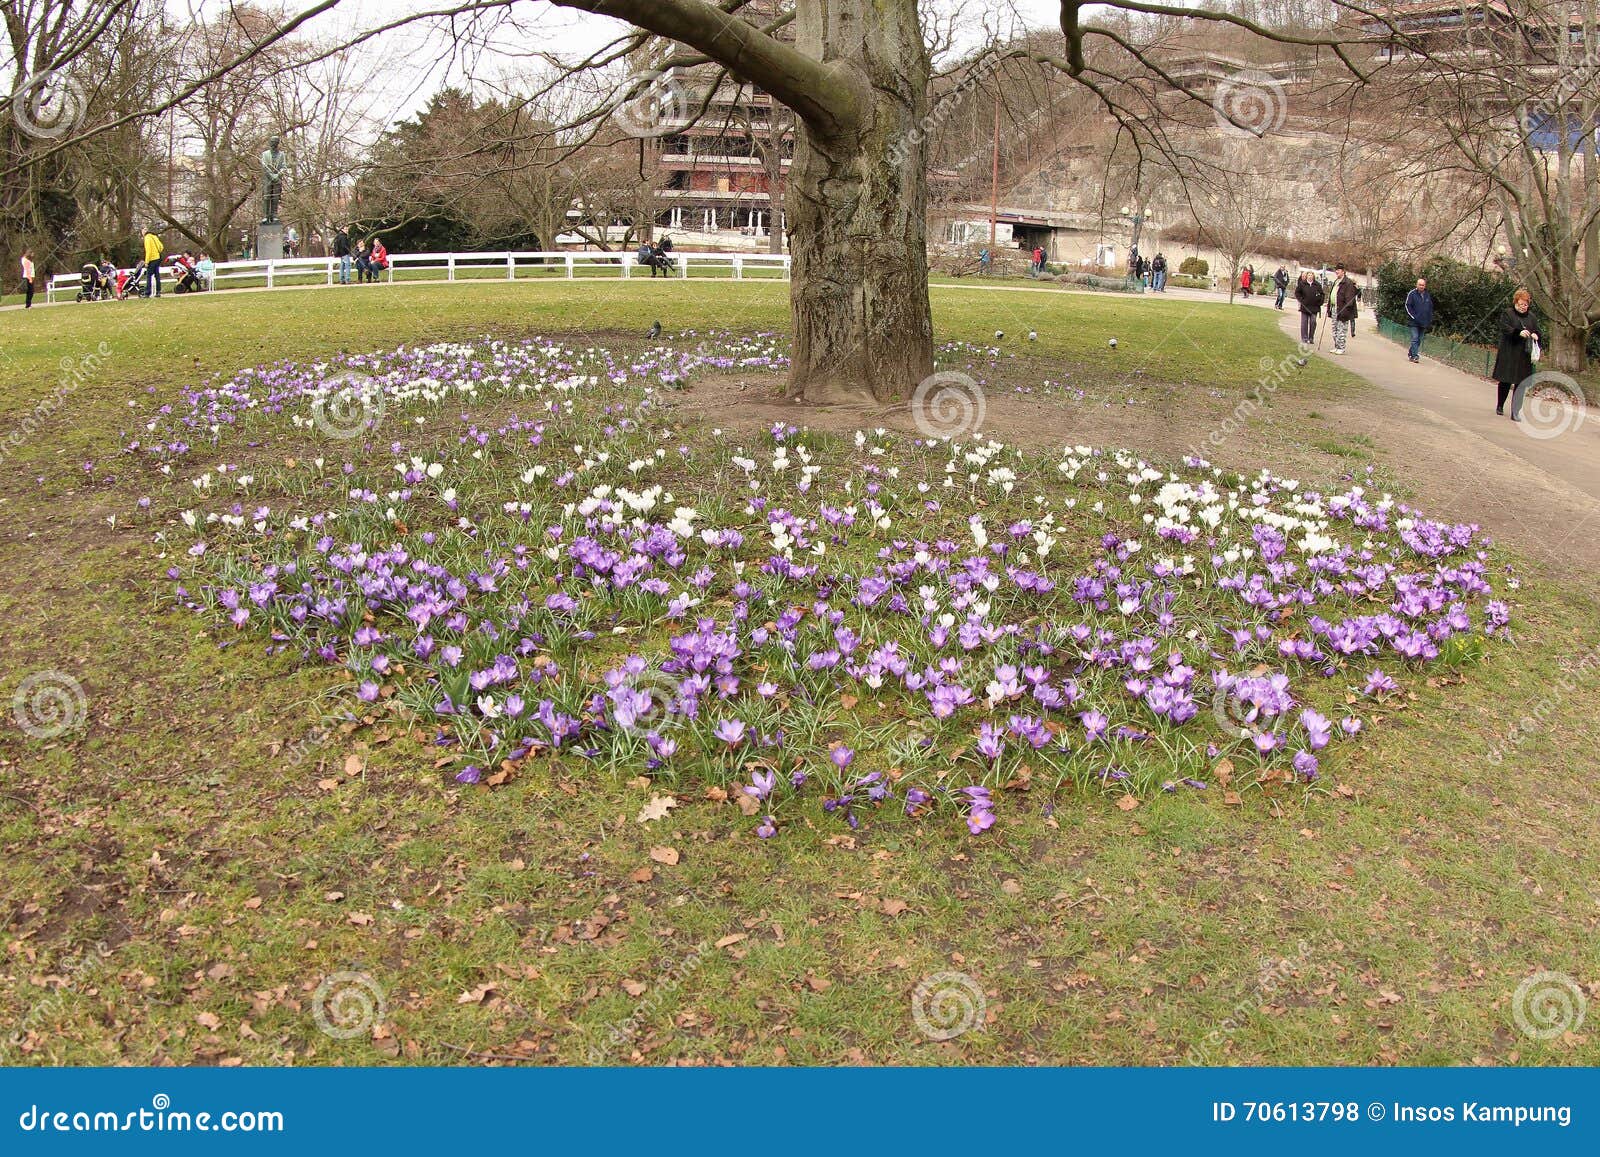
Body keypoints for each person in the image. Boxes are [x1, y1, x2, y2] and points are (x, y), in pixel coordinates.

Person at [1492, 288, 1543, 420]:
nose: (1523, 307)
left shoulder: (1532, 317)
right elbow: (1504, 328)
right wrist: (1517, 332)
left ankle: (1515, 411)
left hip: (1524, 355)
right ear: (1515, 303)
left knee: (1521, 384)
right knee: (1505, 381)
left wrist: (1535, 335)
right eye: (1520, 304)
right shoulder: (1507, 313)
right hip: (1509, 352)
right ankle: (1500, 405)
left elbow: (1537, 330)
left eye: (1525, 305)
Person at [1326, 265, 1357, 354]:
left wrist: (1345, 310)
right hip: (1334, 308)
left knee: (1341, 329)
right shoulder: (1336, 281)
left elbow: (1349, 299)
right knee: (1334, 329)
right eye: (1336, 270)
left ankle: (1341, 347)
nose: (1336, 272)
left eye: (1338, 270)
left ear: (1343, 271)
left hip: (1343, 310)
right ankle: (1336, 346)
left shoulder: (1348, 283)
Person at [1403, 277, 1435, 363]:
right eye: (1420, 285)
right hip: (1414, 322)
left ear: (1425, 286)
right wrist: (1414, 316)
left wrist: (1429, 319)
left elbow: (1430, 308)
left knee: (1419, 340)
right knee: (1415, 338)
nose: (1421, 286)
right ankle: (1415, 356)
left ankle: (1411, 353)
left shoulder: (1427, 295)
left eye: (1423, 285)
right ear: (1417, 285)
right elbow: (1407, 306)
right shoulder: (1412, 294)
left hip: (1424, 322)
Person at [1294, 270, 1325, 344]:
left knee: (1313, 322)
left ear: (1313, 276)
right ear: (1306, 276)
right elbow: (1297, 293)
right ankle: (1304, 338)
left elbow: (1322, 294)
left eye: (1311, 275)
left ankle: (1311, 337)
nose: (1310, 276)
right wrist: (1301, 300)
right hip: (1305, 306)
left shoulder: (1317, 285)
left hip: (1314, 307)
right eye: (1309, 275)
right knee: (1304, 322)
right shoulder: (1302, 284)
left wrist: (1320, 302)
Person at [142, 224, 164, 298]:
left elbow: (148, 251)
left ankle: (147, 292)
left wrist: (146, 262)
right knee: (157, 275)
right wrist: (157, 252)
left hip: (152, 259)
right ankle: (158, 291)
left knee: (148, 276)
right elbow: (161, 247)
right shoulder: (154, 236)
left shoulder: (147, 238)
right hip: (157, 258)